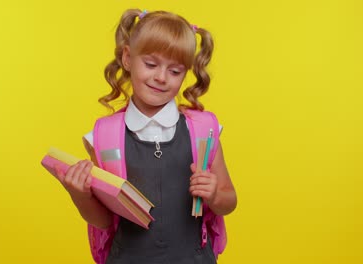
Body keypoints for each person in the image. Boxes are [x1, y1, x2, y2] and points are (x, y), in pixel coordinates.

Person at [54, 9, 237, 264]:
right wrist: (79, 194)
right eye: (151, 64)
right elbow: (104, 220)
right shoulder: (103, 137)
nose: (161, 78)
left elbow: (229, 200)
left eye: (175, 71)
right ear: (128, 58)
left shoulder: (204, 130)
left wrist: (216, 194)